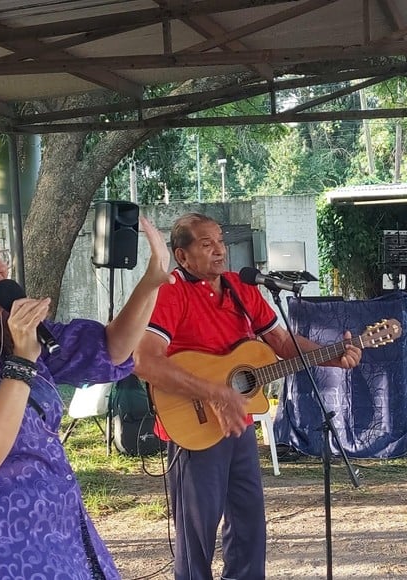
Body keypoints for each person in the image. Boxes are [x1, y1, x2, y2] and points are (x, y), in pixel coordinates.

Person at [0, 210, 173, 579]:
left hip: (53, 546)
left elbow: (113, 349)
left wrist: (151, 282)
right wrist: (23, 362)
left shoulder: (10, 338)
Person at [133, 212, 362, 580]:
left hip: (237, 423)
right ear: (182, 255)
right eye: (206, 244)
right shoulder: (169, 293)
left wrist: (330, 354)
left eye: (220, 241)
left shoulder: (242, 290)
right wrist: (214, 392)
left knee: (249, 522)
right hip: (193, 426)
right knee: (198, 534)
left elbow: (282, 342)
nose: (220, 251)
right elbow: (144, 361)